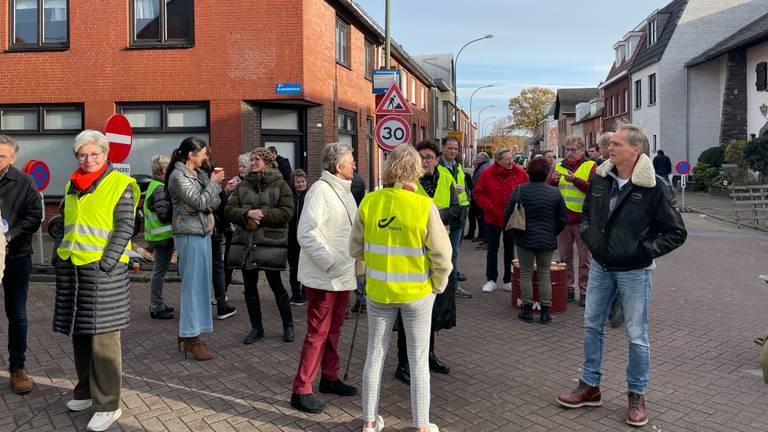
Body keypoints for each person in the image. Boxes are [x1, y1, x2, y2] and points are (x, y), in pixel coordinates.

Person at [556, 124, 686, 427]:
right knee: (592, 326)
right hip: (601, 265)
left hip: (634, 271)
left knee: (637, 335)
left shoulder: (653, 187)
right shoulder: (602, 178)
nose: (608, 148)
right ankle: (590, 386)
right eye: (609, 144)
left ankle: (637, 394)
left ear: (634, 150)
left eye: (615, 144)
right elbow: (588, 213)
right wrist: (592, 240)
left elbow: (676, 232)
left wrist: (642, 252)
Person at [349, 144, 453, 432]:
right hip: (417, 294)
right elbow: (442, 256)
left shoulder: (370, 201)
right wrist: (438, 285)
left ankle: (369, 421)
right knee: (418, 359)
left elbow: (354, 247)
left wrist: (366, 272)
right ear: (416, 170)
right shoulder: (423, 205)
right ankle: (421, 425)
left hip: (379, 292)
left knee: (375, 353)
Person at [54, 130, 139, 431]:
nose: (88, 159)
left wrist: (106, 263)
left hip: (103, 272)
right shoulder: (71, 184)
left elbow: (125, 227)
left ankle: (108, 404)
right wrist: (59, 249)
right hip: (74, 269)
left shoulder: (121, 184)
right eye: (82, 154)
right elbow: (68, 223)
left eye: (94, 153)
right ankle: (86, 391)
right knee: (80, 333)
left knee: (103, 339)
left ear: (106, 155)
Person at [290, 142, 358, 414]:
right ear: (339, 166)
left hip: (342, 276)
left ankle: (329, 377)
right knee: (317, 333)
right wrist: (330, 262)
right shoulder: (320, 191)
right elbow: (306, 233)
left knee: (334, 330)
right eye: (351, 160)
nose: (355, 164)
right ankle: (301, 389)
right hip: (324, 277)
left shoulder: (345, 191)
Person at [393, 140, 461, 384]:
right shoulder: (405, 184)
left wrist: (436, 215)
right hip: (414, 253)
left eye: (430, 157)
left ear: (436, 158)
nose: (425, 161)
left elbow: (457, 211)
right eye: (421, 157)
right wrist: (428, 216)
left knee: (434, 311)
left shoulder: (447, 178)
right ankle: (403, 364)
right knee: (409, 311)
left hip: (439, 250)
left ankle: (429, 355)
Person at [226, 147, 295, 344]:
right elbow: (229, 209)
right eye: (252, 159)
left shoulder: (280, 185)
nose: (253, 162)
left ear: (267, 162)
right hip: (247, 244)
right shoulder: (243, 185)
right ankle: (256, 328)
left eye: (257, 159)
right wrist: (246, 215)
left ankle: (288, 325)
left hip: (270, 243)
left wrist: (261, 214)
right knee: (249, 288)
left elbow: (287, 213)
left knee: (277, 286)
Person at [166, 137, 225, 361]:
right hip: (189, 235)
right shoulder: (177, 176)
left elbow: (213, 202)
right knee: (192, 287)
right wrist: (211, 187)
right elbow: (202, 202)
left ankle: (189, 333)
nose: (206, 157)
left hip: (202, 232)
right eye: (203, 153)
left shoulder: (198, 175)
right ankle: (191, 338)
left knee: (201, 286)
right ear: (191, 154)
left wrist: (203, 200)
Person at [0, 135, 43, 395]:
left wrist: (7, 236)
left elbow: (35, 216)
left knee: (16, 313)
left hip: (16, 255)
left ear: (13, 158)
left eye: (2, 155)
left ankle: (18, 368)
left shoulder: (24, 182)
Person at [504, 157, 566, 323]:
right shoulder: (555, 193)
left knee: (526, 272)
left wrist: (514, 233)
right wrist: (552, 232)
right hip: (547, 239)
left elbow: (508, 212)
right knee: (544, 273)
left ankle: (527, 310)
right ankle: (545, 312)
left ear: (528, 172)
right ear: (547, 173)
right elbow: (562, 218)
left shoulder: (520, 190)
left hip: (524, 238)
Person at [547, 135, 597, 306]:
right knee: (565, 257)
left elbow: (594, 190)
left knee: (585, 259)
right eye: (566, 149)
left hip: (583, 220)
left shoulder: (591, 166)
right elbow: (549, 189)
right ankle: (568, 288)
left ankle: (584, 291)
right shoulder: (558, 166)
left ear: (582, 150)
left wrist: (575, 180)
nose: (569, 153)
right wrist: (552, 182)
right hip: (563, 220)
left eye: (573, 150)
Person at [474, 148, 529, 293]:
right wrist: (489, 206)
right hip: (493, 218)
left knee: (510, 250)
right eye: (506, 159)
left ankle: (508, 280)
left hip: (512, 219)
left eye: (511, 158)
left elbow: (526, 191)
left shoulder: (520, 174)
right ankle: (491, 279)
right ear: (498, 161)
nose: (510, 161)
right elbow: (478, 193)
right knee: (492, 249)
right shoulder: (487, 174)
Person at [200, 156, 237, 320]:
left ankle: (202, 305)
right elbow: (222, 207)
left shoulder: (196, 183)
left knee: (203, 268)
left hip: (200, 232)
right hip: (212, 232)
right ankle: (221, 305)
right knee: (217, 268)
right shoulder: (212, 187)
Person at [438, 137, 471, 298]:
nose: (453, 151)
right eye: (450, 148)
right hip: (443, 216)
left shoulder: (458, 166)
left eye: (455, 149)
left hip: (458, 215)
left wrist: (467, 200)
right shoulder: (437, 167)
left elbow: (465, 189)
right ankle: (445, 285)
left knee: (454, 252)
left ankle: (453, 284)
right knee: (443, 252)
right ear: (443, 148)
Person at [144, 155, 175, 320]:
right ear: (163, 170)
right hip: (163, 237)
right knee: (159, 271)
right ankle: (156, 306)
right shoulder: (160, 188)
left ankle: (157, 303)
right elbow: (164, 214)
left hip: (159, 237)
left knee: (159, 271)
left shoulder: (154, 185)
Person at [288, 168, 309, 306]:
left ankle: (305, 293)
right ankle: (295, 293)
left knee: (306, 267)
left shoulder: (311, 195)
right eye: (297, 182)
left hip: (306, 239)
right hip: (292, 238)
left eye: (302, 181)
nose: (300, 184)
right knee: (293, 267)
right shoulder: (290, 196)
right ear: (293, 183)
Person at [465, 152, 490, 244]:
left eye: (478, 158)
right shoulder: (482, 167)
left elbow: (479, 183)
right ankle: (480, 236)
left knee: (481, 218)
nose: (476, 159)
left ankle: (483, 237)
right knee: (476, 216)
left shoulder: (484, 168)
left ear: (483, 159)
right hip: (478, 197)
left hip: (480, 197)